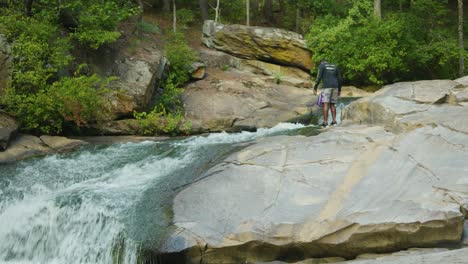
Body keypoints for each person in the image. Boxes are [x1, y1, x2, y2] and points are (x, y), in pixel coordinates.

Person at [313, 59, 343, 127]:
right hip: (335, 87)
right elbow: (340, 79)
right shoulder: (335, 66)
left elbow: (319, 77)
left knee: (325, 104)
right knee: (332, 104)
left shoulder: (322, 66)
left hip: (326, 87)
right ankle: (334, 121)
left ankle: (325, 123)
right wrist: (339, 90)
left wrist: (315, 87)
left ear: (321, 62)